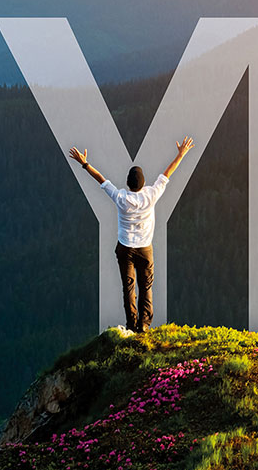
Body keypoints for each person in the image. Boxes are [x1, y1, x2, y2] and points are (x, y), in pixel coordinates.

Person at [67, 137, 194, 333]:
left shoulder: (120, 197)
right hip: (145, 248)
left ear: (127, 183)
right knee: (146, 287)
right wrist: (181, 154)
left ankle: (131, 325)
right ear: (143, 184)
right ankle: (144, 324)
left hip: (125, 248)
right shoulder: (151, 194)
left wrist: (84, 163)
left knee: (128, 288)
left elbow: (101, 179)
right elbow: (168, 173)